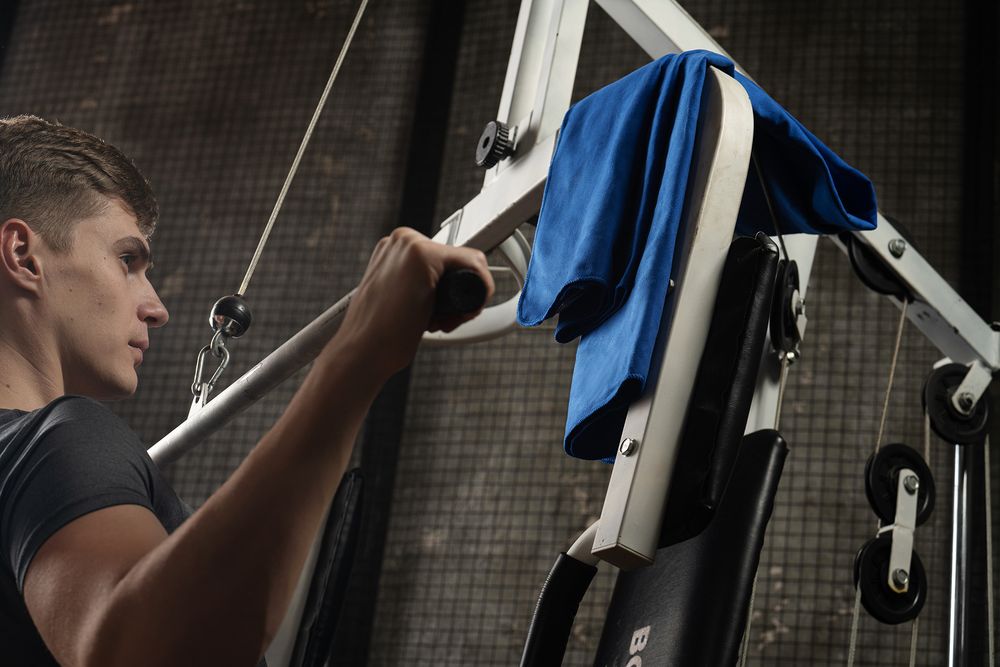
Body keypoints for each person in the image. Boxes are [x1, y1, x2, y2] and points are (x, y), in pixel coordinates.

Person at [0, 114, 494, 666]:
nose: (156, 308)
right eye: (127, 260)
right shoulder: (58, 443)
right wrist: (358, 354)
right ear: (23, 254)